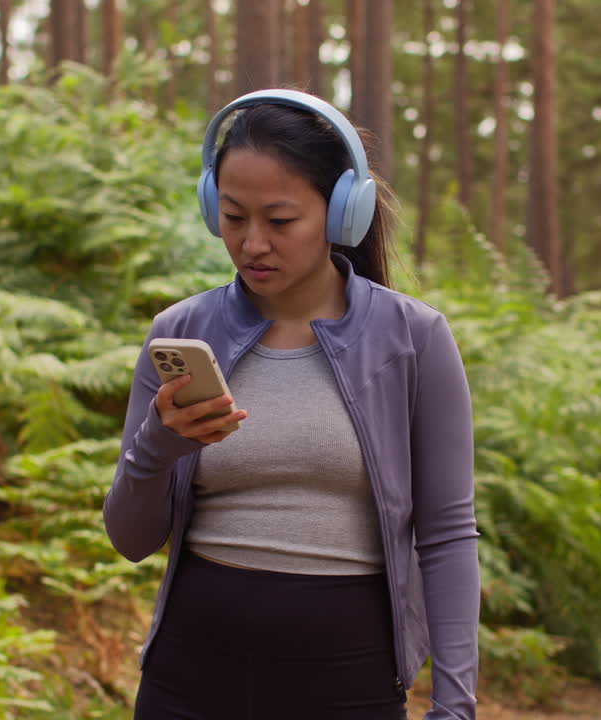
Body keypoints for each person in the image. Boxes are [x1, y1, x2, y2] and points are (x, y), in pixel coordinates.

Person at [104, 89, 479, 720]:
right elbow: (130, 539)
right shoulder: (182, 333)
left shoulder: (413, 339)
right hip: (187, 682)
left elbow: (445, 535)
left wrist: (456, 705)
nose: (252, 244)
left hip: (350, 685)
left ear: (342, 215)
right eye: (233, 218)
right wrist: (157, 447)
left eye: (279, 222)